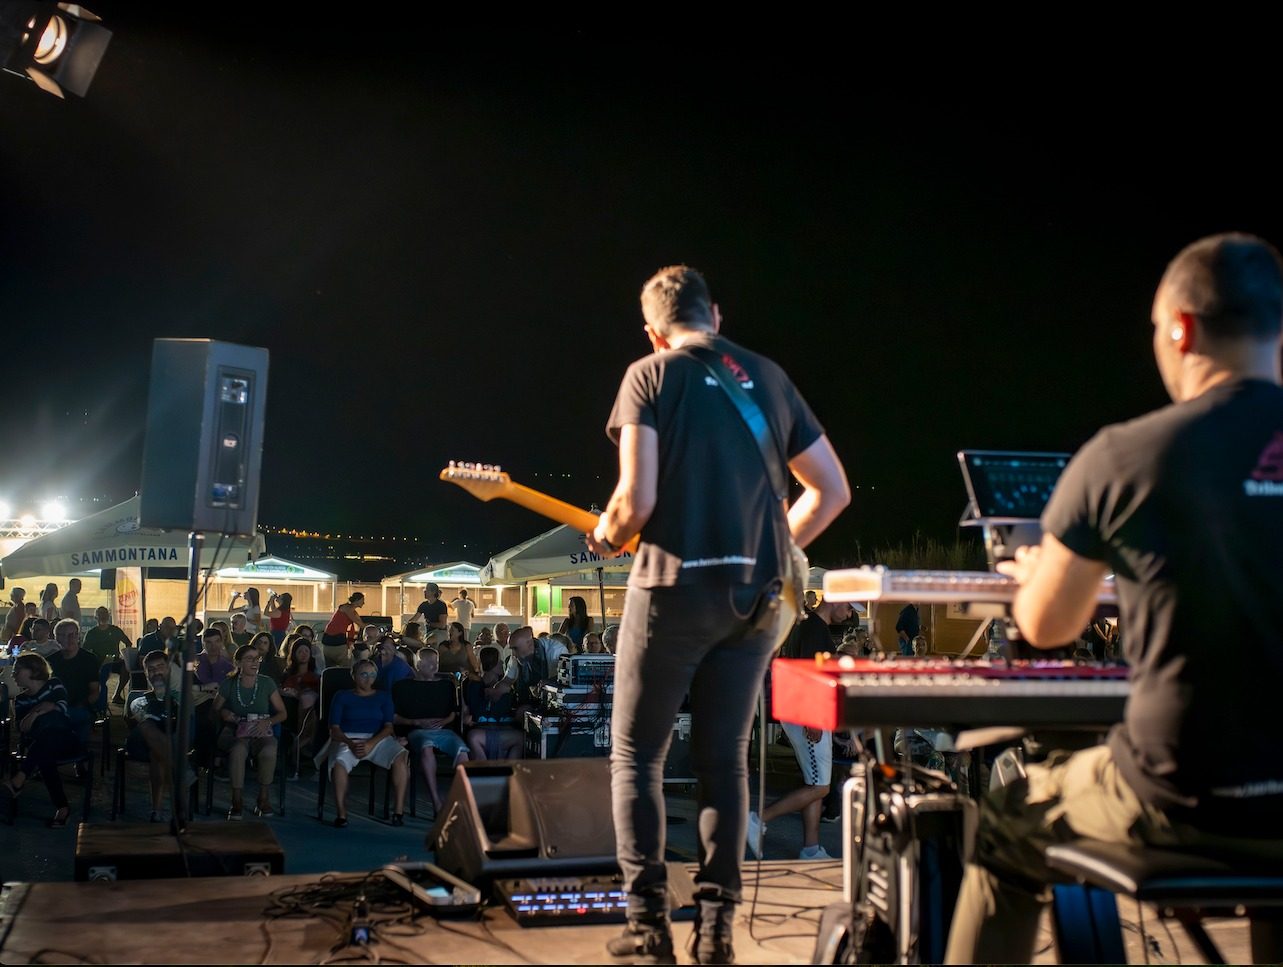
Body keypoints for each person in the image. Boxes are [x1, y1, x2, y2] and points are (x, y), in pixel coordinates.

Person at [945, 234, 1283, 965]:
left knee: (1008, 814)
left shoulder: (1126, 455)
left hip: (1182, 795)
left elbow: (1045, 623)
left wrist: (1038, 571)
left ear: (1179, 328)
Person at [585, 265, 849, 964]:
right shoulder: (768, 375)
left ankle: (646, 927)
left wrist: (605, 535)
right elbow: (831, 491)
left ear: (652, 330)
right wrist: (774, 548)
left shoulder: (648, 375)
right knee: (723, 761)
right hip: (757, 598)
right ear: (716, 315)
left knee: (637, 756)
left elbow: (633, 503)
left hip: (674, 586)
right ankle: (715, 931)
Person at [751, 597, 857, 860]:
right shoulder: (813, 629)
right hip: (807, 715)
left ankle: (811, 848)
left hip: (803, 712)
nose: (850, 614)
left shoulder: (810, 626)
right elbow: (808, 676)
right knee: (820, 787)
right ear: (835, 602)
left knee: (815, 781)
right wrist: (813, 717)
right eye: (849, 607)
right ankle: (756, 820)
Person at [1, 653, 84, 827]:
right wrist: (39, 711)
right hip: (42, 746)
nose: (13, 675)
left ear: (33, 670)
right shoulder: (21, 699)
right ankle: (62, 809)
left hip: (67, 742)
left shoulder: (54, 684)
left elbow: (61, 708)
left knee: (51, 725)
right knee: (45, 752)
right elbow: (22, 728)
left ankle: (19, 781)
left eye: (17, 670)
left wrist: (35, 714)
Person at [324, 658, 409, 826]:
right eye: (363, 674)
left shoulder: (383, 697)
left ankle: (398, 812)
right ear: (354, 675)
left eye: (372, 674)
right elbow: (334, 728)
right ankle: (342, 814)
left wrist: (370, 743)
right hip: (347, 738)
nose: (368, 678)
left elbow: (388, 727)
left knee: (400, 758)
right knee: (339, 764)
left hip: (377, 738)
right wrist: (350, 743)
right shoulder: (342, 696)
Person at [213, 644, 286, 820]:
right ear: (238, 662)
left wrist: (267, 721)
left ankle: (263, 798)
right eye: (249, 659)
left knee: (269, 750)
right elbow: (215, 710)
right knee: (238, 752)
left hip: (262, 730)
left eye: (257, 659)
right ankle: (236, 800)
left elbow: (283, 713)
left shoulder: (266, 683)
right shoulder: (229, 684)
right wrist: (225, 713)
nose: (255, 662)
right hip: (239, 731)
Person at [393, 647, 469, 812]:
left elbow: (453, 713)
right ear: (418, 665)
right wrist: (415, 723)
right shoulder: (402, 686)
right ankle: (436, 801)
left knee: (462, 752)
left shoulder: (446, 685)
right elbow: (394, 716)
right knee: (426, 747)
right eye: (430, 663)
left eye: (436, 662)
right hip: (417, 730)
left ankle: (458, 800)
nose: (434, 666)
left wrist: (444, 721)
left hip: (443, 730)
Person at [128, 649, 197, 822]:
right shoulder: (138, 700)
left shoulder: (181, 697)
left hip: (168, 742)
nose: (156, 672)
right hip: (140, 745)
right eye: (151, 669)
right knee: (147, 725)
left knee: (157, 754)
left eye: (160, 667)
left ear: (169, 670)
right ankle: (181, 773)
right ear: (145, 674)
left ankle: (156, 810)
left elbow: (186, 723)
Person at [461, 646, 523, 760]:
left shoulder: (506, 686)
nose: (501, 663)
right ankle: (487, 772)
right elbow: (472, 712)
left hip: (504, 728)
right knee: (473, 737)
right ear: (491, 663)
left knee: (521, 739)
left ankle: (509, 773)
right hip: (481, 729)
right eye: (498, 660)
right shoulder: (473, 685)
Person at [47, 619, 101, 741]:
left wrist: (82, 704)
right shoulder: (50, 661)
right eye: (63, 635)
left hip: (81, 706)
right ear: (56, 638)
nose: (69, 639)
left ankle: (75, 753)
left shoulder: (89, 660)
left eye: (73, 634)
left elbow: (95, 691)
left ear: (78, 636)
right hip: (55, 707)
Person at [84, 606, 133, 704]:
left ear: (108, 616)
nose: (103, 616)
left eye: (105, 614)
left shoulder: (115, 630)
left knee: (126, 669)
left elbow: (128, 643)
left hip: (114, 660)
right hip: (98, 662)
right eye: (100, 614)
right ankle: (99, 700)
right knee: (102, 676)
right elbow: (85, 649)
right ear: (96, 617)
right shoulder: (92, 633)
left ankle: (117, 695)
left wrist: (124, 655)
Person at [321, 593, 364, 667]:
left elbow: (361, 624)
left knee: (330, 665)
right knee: (344, 665)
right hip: (335, 638)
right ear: (357, 600)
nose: (364, 603)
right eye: (362, 600)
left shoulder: (350, 610)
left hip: (330, 637)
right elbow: (359, 623)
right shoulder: (347, 608)